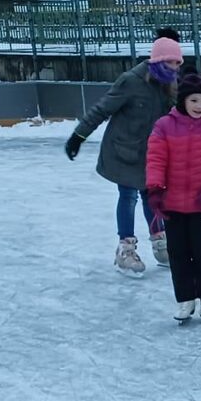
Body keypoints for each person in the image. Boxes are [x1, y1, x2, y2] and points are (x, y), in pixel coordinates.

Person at [65, 36, 182, 276]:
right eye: (170, 62)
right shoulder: (131, 81)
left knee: (152, 196)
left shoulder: (170, 85)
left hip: (152, 153)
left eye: (177, 63)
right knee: (128, 196)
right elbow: (102, 109)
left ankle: (160, 242)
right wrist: (79, 135)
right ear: (157, 61)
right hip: (124, 150)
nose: (174, 68)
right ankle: (125, 249)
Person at [145, 75, 201, 322]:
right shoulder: (164, 126)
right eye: (194, 100)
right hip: (172, 204)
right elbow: (155, 159)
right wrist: (155, 189)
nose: (199, 106)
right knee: (178, 254)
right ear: (183, 100)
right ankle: (185, 300)